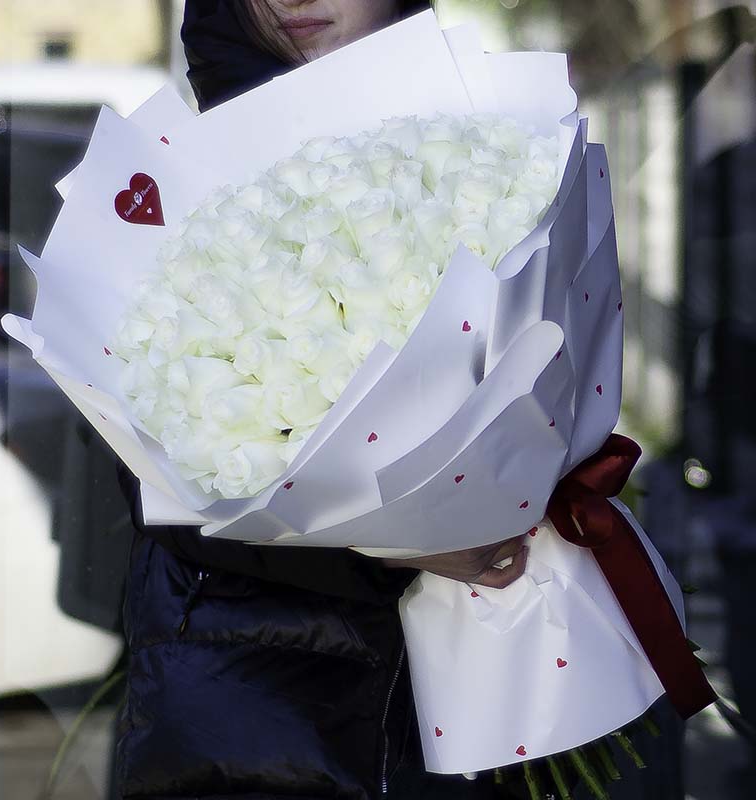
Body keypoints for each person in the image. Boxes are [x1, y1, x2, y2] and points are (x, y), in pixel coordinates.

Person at [114, 2, 529, 798]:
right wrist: (385, 544)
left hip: (473, 678)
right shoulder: (175, 179)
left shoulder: (488, 150)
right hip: (252, 706)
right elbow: (152, 483)